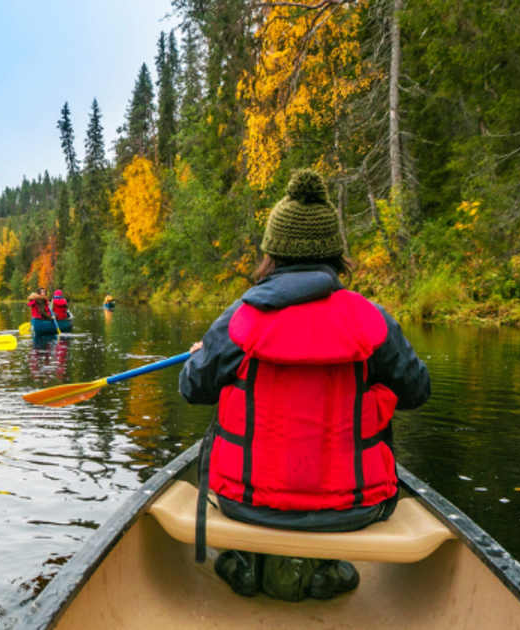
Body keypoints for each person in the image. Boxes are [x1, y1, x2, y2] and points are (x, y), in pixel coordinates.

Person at [178, 169, 430, 602]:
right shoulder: (371, 319)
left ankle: (249, 561)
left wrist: (203, 354)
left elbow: (192, 387)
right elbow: (416, 391)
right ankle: (323, 569)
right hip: (356, 509)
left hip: (245, 503)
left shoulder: (241, 319)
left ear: (271, 254)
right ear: (336, 256)